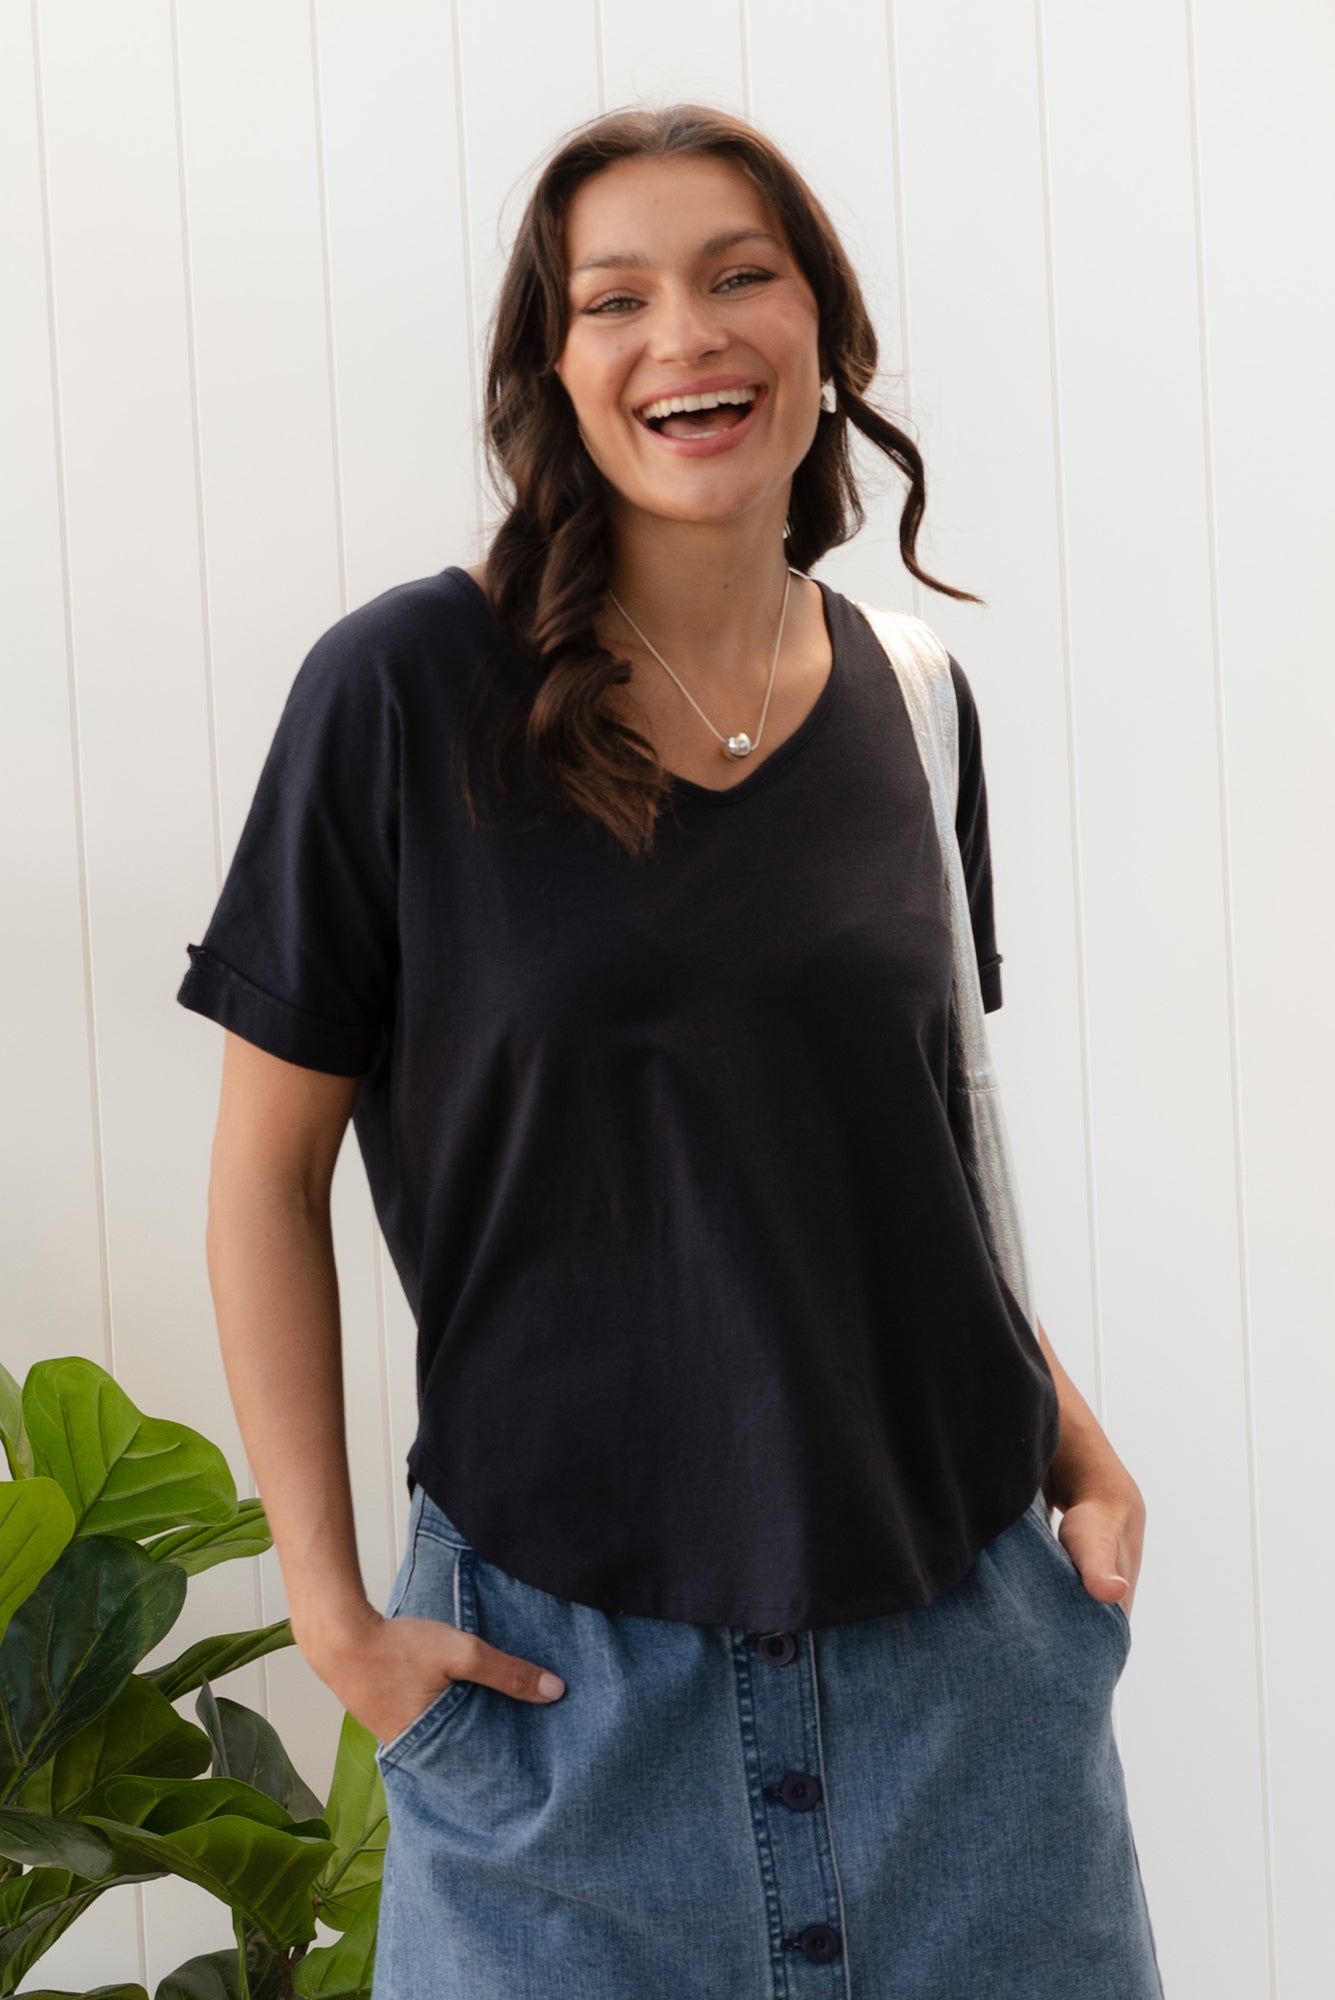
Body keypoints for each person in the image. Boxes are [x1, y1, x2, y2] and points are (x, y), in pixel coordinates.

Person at [178, 102, 1164, 2000]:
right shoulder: (399, 695)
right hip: (562, 1710)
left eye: (738, 277)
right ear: (554, 371)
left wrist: (1082, 1455)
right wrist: (329, 1613)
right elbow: (263, 1178)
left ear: (824, 331)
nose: (684, 337)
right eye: (614, 299)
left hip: (969, 1690)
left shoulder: (915, 702)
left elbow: (901, 1169)